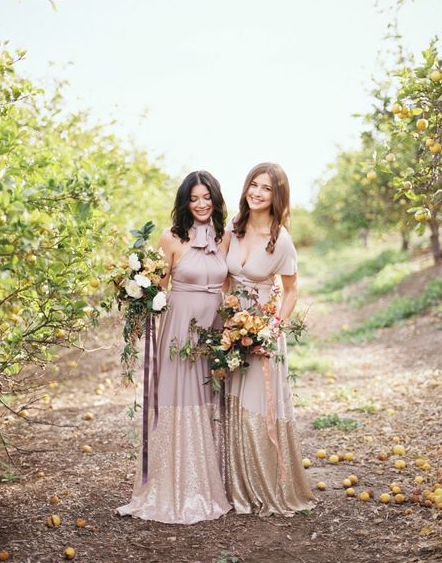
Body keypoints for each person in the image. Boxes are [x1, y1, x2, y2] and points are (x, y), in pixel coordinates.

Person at [116, 171, 231, 524]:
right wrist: (139, 296)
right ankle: (173, 488)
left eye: (206, 197)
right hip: (180, 331)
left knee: (204, 399)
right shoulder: (172, 238)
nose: (200, 204)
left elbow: (229, 282)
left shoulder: (224, 238)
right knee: (180, 399)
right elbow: (158, 290)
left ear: (215, 199)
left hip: (213, 331)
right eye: (194, 198)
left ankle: (204, 484)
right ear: (185, 202)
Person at [222, 162, 315, 516]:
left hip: (262, 330)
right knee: (234, 401)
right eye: (253, 185)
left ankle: (268, 487)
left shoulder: (282, 239)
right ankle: (238, 487)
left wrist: (271, 330)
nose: (257, 193)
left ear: (277, 197)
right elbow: (222, 275)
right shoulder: (235, 225)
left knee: (258, 406)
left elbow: (291, 292)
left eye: (266, 188)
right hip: (232, 327)